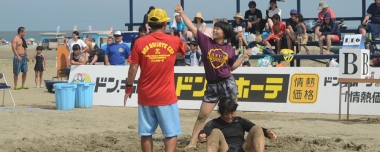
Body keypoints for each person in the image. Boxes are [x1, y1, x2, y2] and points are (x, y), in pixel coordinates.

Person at [174, 4, 252, 148]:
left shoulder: (229, 49)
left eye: (218, 28)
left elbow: (231, 68)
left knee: (230, 116)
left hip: (227, 83)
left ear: (225, 33)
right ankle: (192, 143)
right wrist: (182, 13)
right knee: (202, 116)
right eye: (215, 28)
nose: (215, 30)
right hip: (211, 85)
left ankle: (234, 139)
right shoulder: (205, 42)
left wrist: (243, 56)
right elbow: (192, 27)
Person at [124, 8, 186, 152]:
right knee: (171, 133)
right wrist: (168, 57)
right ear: (165, 24)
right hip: (166, 96)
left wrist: (128, 87)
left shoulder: (139, 42)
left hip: (146, 94)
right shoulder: (175, 41)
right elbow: (184, 52)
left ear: (149, 25)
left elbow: (133, 68)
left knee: (146, 133)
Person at [199, 97, 277, 152]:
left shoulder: (240, 121)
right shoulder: (214, 122)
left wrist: (267, 132)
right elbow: (206, 130)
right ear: (221, 112)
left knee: (257, 128)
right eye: (226, 113)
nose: (229, 117)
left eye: (232, 113)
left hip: (243, 148)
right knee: (215, 131)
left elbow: (254, 129)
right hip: (225, 148)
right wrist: (202, 135)